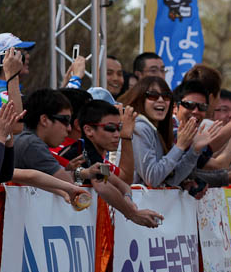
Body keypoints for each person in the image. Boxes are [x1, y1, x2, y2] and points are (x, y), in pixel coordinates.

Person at [14, 89, 162, 227]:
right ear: (88, 129)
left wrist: (128, 199)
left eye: (120, 128)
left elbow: (120, 183)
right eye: (110, 128)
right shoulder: (80, 151)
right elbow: (96, 183)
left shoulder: (92, 155)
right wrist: (133, 214)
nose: (117, 134)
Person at [119, 77, 218, 190]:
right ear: (140, 99)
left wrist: (194, 150)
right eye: (153, 95)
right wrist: (179, 146)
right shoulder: (139, 128)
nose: (161, 100)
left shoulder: (158, 131)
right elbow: (152, 179)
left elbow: (172, 180)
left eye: (166, 96)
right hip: (134, 203)